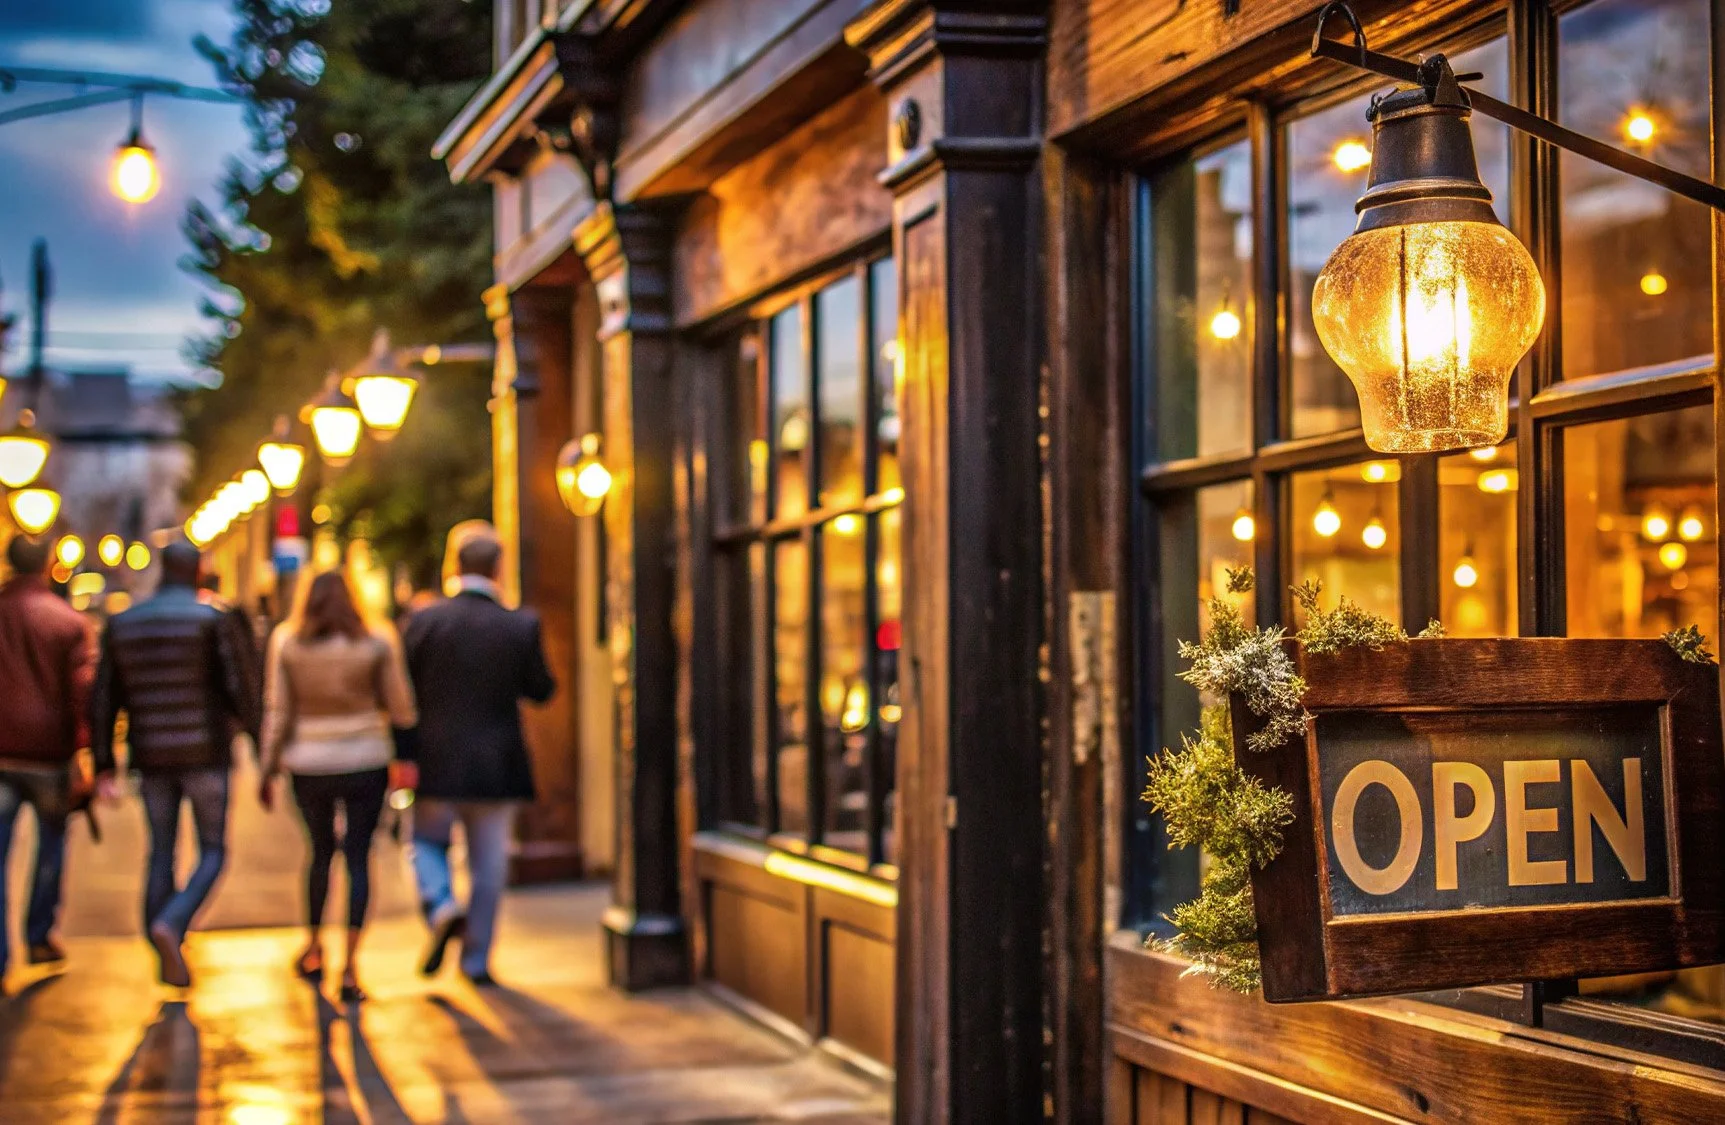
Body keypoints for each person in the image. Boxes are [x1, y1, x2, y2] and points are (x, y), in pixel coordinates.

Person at [90, 540, 261, 988]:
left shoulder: (125, 623)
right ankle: (173, 922)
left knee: (161, 849)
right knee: (213, 849)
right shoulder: (214, 620)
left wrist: (104, 761)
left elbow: (105, 698)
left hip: (151, 754)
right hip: (204, 752)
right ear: (198, 570)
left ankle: (161, 937)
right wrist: (260, 742)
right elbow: (240, 686)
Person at [402, 530, 554, 984]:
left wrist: (403, 755)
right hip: (497, 762)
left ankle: (442, 903)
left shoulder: (424, 623)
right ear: (498, 569)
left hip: (436, 760)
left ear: (454, 565)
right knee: (489, 864)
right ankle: (476, 960)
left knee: (425, 843)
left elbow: (403, 696)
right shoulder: (519, 625)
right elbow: (541, 689)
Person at [258, 570, 417, 1003]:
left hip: (308, 761)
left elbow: (278, 709)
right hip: (366, 757)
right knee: (360, 856)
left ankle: (313, 945)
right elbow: (401, 706)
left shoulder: (288, 642)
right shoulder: (377, 640)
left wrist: (267, 767)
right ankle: (349, 964)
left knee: (319, 852)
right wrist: (405, 758)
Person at [0, 536, 96, 984]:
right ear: (48, 565)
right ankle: (38, 934)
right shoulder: (67, 622)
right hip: (48, 754)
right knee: (50, 845)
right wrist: (86, 751)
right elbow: (83, 694)